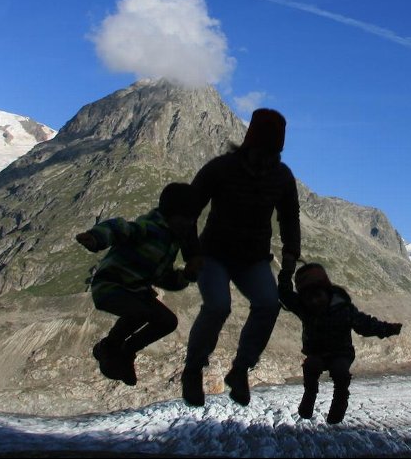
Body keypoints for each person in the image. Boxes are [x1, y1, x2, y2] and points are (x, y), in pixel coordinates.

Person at [178, 108, 301, 408]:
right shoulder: (221, 169)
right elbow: (187, 212)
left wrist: (288, 263)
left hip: (253, 258)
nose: (267, 158)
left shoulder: (281, 177)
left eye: (272, 152)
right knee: (219, 306)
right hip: (214, 253)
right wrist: (192, 254)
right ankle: (193, 369)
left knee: (268, 305)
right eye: (264, 149)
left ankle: (240, 369)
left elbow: (289, 220)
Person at [76, 182, 200, 387]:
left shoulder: (169, 246)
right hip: (111, 286)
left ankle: (125, 352)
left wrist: (186, 276)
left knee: (168, 321)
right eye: (186, 217)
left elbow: (165, 278)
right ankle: (109, 347)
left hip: (135, 292)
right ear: (170, 214)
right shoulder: (149, 229)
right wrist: (96, 238)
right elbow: (120, 228)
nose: (189, 223)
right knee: (142, 311)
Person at [279, 262, 402, 424]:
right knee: (311, 366)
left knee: (340, 371)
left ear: (327, 291)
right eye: (309, 298)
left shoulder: (343, 308)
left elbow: (365, 325)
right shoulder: (305, 307)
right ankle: (309, 397)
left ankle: (339, 403)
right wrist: (286, 271)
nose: (314, 301)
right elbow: (285, 294)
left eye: (317, 295)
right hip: (317, 352)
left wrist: (387, 329)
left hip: (341, 352)